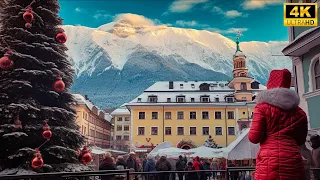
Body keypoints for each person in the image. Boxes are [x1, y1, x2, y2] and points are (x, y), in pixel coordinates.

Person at [248, 69, 308, 180]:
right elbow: (300, 140)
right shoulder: (300, 113)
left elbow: (254, 137)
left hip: (269, 161)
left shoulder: (262, 107)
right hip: (293, 160)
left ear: (269, 84)